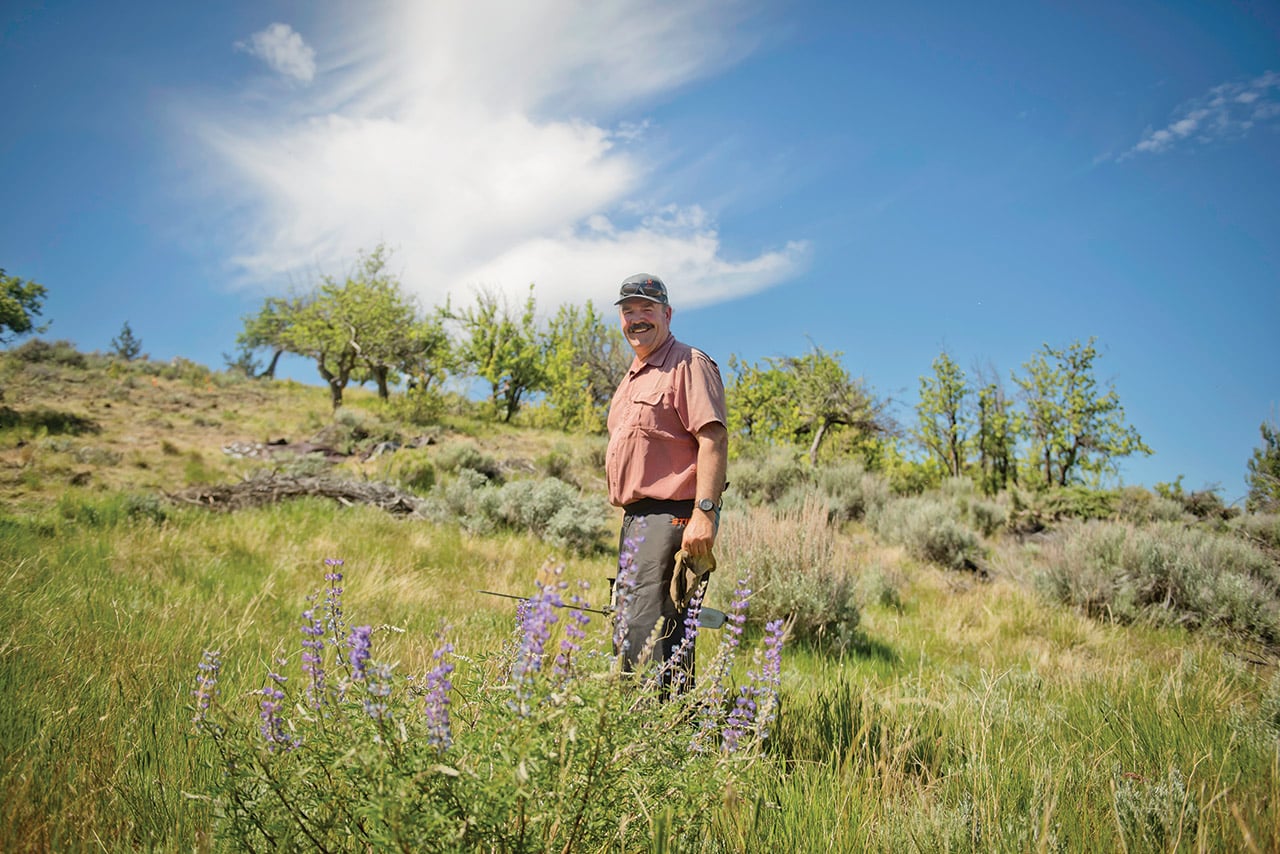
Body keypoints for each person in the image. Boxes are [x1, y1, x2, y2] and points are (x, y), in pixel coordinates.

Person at [605, 272, 728, 679]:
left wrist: (704, 514)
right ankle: (642, 728)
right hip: (637, 518)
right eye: (628, 311)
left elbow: (712, 438)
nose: (637, 319)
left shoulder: (688, 363)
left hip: (672, 515)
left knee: (652, 629)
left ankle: (660, 726)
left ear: (667, 314)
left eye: (647, 309)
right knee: (631, 624)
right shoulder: (631, 377)